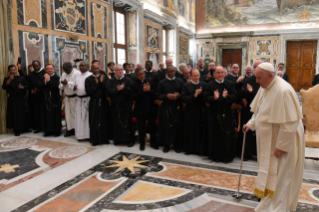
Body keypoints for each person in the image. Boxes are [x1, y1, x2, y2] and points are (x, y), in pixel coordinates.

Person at [243, 62, 304, 212]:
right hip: (270, 139)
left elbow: (290, 122)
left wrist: (282, 146)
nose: (256, 81)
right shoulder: (266, 86)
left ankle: (278, 208)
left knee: (281, 177)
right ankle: (269, 204)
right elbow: (260, 110)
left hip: (282, 141)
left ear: (270, 76)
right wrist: (251, 124)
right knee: (272, 175)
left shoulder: (283, 90)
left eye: (259, 78)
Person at [204, 66, 236, 162]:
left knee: (226, 135)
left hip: (227, 113)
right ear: (214, 74)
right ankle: (216, 156)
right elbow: (205, 98)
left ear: (225, 73)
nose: (220, 74)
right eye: (218, 72)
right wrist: (213, 98)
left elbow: (235, 97)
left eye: (222, 72)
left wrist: (227, 97)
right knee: (215, 135)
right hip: (214, 114)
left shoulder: (229, 84)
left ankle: (227, 156)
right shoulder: (209, 85)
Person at [157, 66, 184, 153]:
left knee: (177, 127)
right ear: (167, 72)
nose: (172, 73)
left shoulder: (180, 81)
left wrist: (179, 95)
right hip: (166, 107)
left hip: (177, 107)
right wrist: (166, 96)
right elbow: (158, 95)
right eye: (170, 71)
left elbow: (184, 94)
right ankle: (167, 144)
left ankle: (177, 145)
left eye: (174, 71)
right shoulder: (162, 82)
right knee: (166, 126)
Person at [239, 60, 262, 160]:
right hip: (250, 110)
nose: (258, 68)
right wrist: (249, 92)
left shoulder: (265, 80)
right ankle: (247, 153)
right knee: (248, 132)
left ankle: (258, 153)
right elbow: (242, 94)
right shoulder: (249, 80)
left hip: (263, 109)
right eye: (256, 66)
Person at [131, 67, 158, 150]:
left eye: (143, 73)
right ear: (136, 75)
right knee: (141, 127)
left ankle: (153, 143)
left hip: (151, 108)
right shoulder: (133, 84)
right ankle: (142, 143)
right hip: (140, 110)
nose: (142, 75)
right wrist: (143, 91)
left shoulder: (150, 82)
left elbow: (156, 94)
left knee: (152, 127)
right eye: (140, 74)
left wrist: (149, 90)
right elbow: (134, 98)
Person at [181, 69, 206, 155]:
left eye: (198, 75)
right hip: (190, 111)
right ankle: (189, 149)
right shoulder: (186, 86)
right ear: (191, 76)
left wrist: (201, 94)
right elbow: (183, 98)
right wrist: (194, 95)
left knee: (200, 130)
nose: (196, 77)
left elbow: (205, 99)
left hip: (200, 111)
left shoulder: (204, 85)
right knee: (190, 130)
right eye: (194, 76)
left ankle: (199, 149)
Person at [108, 65, 134, 146]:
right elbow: (108, 91)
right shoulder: (111, 81)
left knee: (128, 123)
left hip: (126, 106)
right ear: (115, 71)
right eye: (118, 70)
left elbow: (132, 91)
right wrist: (117, 89)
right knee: (117, 123)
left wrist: (123, 89)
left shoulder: (128, 80)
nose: (120, 71)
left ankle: (129, 140)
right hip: (116, 106)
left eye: (121, 70)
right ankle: (118, 140)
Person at [85, 64, 110, 146]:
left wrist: (102, 82)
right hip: (94, 102)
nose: (96, 70)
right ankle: (94, 140)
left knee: (104, 120)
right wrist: (97, 84)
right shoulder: (88, 79)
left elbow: (107, 89)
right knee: (94, 121)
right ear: (91, 69)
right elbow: (89, 92)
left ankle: (104, 139)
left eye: (97, 68)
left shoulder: (103, 77)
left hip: (103, 102)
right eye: (94, 69)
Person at [2, 65, 29, 136]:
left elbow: (27, 86)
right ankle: (16, 130)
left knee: (23, 114)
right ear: (9, 71)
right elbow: (4, 87)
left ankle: (24, 128)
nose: (13, 71)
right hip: (13, 99)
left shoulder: (21, 78)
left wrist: (22, 87)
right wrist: (10, 80)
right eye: (12, 70)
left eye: (14, 69)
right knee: (14, 114)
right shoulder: (7, 79)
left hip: (21, 99)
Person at [38, 64, 62, 137]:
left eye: (51, 69)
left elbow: (56, 87)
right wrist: (44, 82)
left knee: (56, 115)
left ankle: (57, 131)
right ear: (45, 70)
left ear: (54, 69)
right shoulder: (42, 77)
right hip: (45, 100)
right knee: (46, 115)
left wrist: (48, 81)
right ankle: (47, 131)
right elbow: (39, 85)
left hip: (55, 100)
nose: (50, 70)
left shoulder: (57, 77)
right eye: (48, 69)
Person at [59, 62, 81, 137]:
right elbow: (60, 85)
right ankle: (69, 130)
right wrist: (63, 84)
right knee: (67, 115)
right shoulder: (64, 74)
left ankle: (76, 130)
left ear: (70, 67)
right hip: (66, 97)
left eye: (66, 69)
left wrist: (68, 83)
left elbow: (78, 84)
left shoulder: (77, 73)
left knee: (75, 115)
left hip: (74, 97)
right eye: (64, 69)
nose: (65, 71)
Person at [74, 62, 92, 140]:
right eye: (80, 66)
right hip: (79, 99)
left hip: (87, 99)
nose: (81, 67)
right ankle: (80, 135)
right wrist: (74, 88)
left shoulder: (90, 76)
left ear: (87, 66)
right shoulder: (77, 77)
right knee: (79, 118)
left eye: (83, 65)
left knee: (86, 117)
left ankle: (88, 135)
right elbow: (73, 87)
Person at [28, 61, 46, 133]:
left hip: (42, 95)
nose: (36, 68)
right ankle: (38, 126)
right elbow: (28, 83)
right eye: (34, 66)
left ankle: (43, 126)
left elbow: (44, 83)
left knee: (43, 111)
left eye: (37, 66)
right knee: (36, 112)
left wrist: (38, 88)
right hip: (34, 96)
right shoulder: (31, 74)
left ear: (40, 65)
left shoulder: (44, 72)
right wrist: (31, 90)